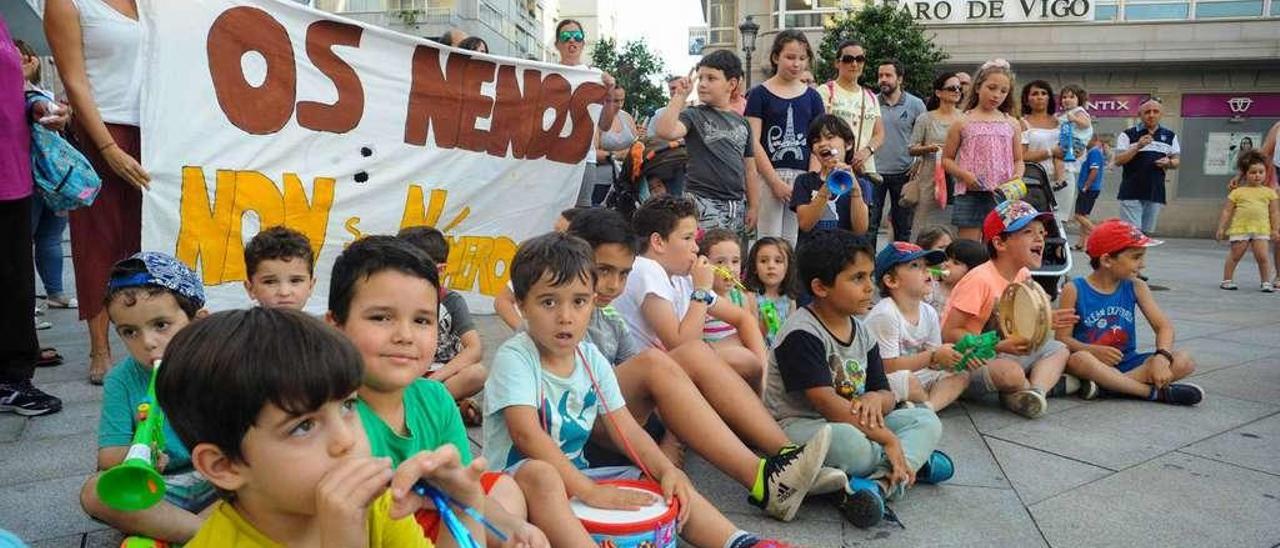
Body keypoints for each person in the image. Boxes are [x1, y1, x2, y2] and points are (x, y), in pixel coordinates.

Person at [482, 232, 796, 546]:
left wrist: (664, 469)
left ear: (592, 301)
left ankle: (739, 541)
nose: (565, 317)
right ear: (522, 305)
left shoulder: (590, 359)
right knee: (543, 475)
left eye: (578, 301)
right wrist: (587, 490)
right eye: (549, 302)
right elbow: (526, 434)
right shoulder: (517, 357)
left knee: (663, 484)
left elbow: (627, 430)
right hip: (515, 486)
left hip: (577, 476)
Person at [566, 209, 839, 521]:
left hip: (625, 413)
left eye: (621, 274)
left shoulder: (611, 314)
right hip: (590, 424)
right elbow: (669, 347)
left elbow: (735, 322)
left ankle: (787, 456)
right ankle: (764, 479)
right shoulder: (578, 310)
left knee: (692, 354)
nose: (614, 285)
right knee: (670, 358)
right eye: (604, 271)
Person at [156, 307, 486, 547]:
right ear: (224, 465)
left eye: (347, 406)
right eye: (303, 426)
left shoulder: (375, 506)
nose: (346, 440)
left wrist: (465, 506)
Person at [324, 236, 555, 546]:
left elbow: (460, 489)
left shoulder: (435, 397)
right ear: (335, 328)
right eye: (381, 317)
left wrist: (516, 527)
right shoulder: (331, 417)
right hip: (374, 530)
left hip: (437, 515)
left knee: (504, 491)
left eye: (421, 320)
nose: (405, 335)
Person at [766, 229, 948, 529]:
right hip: (803, 425)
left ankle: (877, 486)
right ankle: (910, 461)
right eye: (857, 278)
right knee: (849, 443)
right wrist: (889, 439)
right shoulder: (802, 333)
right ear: (821, 287)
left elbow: (885, 392)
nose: (869, 288)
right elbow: (827, 405)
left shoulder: (862, 331)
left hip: (858, 420)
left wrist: (877, 397)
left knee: (926, 421)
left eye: (869, 276)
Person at [46, 0, 152, 384]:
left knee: (149, 237)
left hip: (159, 128)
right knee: (98, 239)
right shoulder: (67, 3)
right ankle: (99, 346)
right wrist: (107, 146)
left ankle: (154, 333)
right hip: (101, 131)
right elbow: (74, 81)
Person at [79, 253, 213, 543]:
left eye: (161, 325)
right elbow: (108, 456)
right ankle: (207, 534)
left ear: (198, 321)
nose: (147, 342)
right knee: (94, 492)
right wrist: (146, 456)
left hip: (220, 482)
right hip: (159, 488)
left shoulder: (220, 367)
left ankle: (168, 532)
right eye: (129, 332)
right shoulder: (120, 380)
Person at [941, 200, 1077, 418]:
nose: (1040, 237)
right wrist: (999, 345)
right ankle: (1024, 388)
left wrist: (1043, 320)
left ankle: (1035, 392)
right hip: (968, 360)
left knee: (1058, 349)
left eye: (1042, 232)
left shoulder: (1022, 274)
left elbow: (1018, 322)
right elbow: (949, 332)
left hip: (1001, 352)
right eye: (1028, 232)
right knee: (1011, 373)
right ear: (1000, 243)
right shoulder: (980, 280)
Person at [613, 196, 767, 383]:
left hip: (668, 367)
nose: (695, 248)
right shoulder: (645, 268)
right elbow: (684, 347)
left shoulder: (682, 277)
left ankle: (765, 400)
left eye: (695, 238)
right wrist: (701, 290)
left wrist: (765, 380)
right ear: (658, 242)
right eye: (687, 238)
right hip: (641, 377)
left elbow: (744, 319)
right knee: (743, 360)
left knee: (745, 346)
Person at [1057, 219, 1203, 405]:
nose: (1142, 265)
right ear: (1107, 260)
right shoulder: (1074, 289)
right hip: (1092, 362)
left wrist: (1162, 357)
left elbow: (1164, 326)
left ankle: (1107, 388)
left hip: (1128, 362)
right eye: (1136, 257)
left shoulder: (1137, 286)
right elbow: (1062, 339)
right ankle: (1149, 392)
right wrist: (1092, 350)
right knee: (1080, 359)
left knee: (1185, 360)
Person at [1, 15, 67, 416]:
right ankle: (11, 376)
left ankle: (13, 372)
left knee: (14, 278)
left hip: (12, 170)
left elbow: (13, 90)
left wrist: (36, 102)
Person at [654, 51, 758, 234]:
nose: (702, 84)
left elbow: (750, 168)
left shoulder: (743, 123)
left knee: (729, 259)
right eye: (700, 77)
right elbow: (665, 131)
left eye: (711, 78)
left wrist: (753, 206)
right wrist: (679, 96)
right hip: (702, 201)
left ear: (731, 84)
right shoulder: (694, 115)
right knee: (704, 256)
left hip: (736, 205)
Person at [396, 227, 487, 423]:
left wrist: (437, 378)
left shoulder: (451, 301)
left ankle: (425, 407)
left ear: (440, 270)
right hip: (404, 369)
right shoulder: (393, 298)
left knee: (477, 373)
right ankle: (448, 409)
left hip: (441, 375)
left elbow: (474, 348)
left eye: (414, 269)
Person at [866, 242, 968, 412]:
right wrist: (934, 356)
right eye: (915, 266)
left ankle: (927, 408)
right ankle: (919, 405)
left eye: (926, 265)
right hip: (882, 377)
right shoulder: (886, 314)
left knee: (961, 375)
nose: (926, 271)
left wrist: (952, 358)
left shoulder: (929, 312)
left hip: (917, 371)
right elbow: (887, 366)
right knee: (906, 380)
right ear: (891, 281)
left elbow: (934, 362)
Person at [746, 30, 824, 244]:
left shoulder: (813, 97)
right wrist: (774, 181)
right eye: (790, 57)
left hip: (802, 177)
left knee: (793, 241)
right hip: (769, 175)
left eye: (802, 58)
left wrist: (811, 180)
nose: (796, 64)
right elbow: (753, 141)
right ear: (775, 57)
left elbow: (820, 142)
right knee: (768, 241)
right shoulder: (759, 94)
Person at [17, 39, 76, 313]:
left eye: (25, 57)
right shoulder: (20, 96)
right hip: (22, 180)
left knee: (50, 237)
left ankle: (55, 292)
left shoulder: (42, 95)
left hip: (50, 178)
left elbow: (41, 108)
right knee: (18, 241)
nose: (23, 61)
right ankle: (23, 302)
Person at [942, 59, 1024, 242]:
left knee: (998, 247)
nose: (996, 95)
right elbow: (946, 159)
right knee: (968, 249)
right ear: (978, 87)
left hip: (1003, 194)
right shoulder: (962, 121)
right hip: (970, 193)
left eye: (1003, 91)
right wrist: (964, 175)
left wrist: (1017, 177)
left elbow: (1018, 160)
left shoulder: (1012, 123)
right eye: (992, 88)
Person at [552, 19, 620, 207]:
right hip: (550, 159)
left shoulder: (596, 77)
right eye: (566, 37)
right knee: (550, 214)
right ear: (557, 44)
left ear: (582, 43)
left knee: (580, 217)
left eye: (577, 37)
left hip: (584, 159)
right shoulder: (548, 75)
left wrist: (609, 93)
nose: (571, 41)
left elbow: (605, 125)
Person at [494, 208, 583, 332]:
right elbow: (502, 301)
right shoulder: (540, 264)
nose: (556, 238)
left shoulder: (591, 272)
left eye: (563, 233)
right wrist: (525, 332)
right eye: (555, 231)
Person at [791, 115, 871, 246]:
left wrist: (855, 189)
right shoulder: (804, 181)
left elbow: (860, 230)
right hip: (811, 256)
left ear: (848, 143)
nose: (822, 143)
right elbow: (805, 224)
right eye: (816, 140)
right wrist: (827, 185)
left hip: (845, 257)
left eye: (830, 137)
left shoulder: (861, 184)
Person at [816, 41, 883, 194]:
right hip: (834, 167)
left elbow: (879, 133)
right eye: (848, 59)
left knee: (862, 215)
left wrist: (867, 151)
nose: (854, 64)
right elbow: (819, 131)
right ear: (837, 63)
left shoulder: (870, 96)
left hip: (864, 169)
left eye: (859, 59)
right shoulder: (826, 91)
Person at [871, 60, 926, 244]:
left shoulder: (916, 104)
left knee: (903, 227)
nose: (883, 80)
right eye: (880, 76)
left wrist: (918, 163)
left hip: (904, 173)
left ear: (900, 79)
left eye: (888, 75)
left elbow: (924, 137)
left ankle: (901, 268)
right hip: (874, 173)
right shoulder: (871, 102)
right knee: (870, 225)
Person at [907, 72, 965, 231]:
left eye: (959, 88)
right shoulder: (925, 118)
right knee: (924, 223)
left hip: (957, 176)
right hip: (930, 178)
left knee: (954, 223)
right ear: (938, 92)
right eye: (952, 88)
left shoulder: (965, 118)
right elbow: (912, 148)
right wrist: (930, 148)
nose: (957, 91)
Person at [1114, 99, 1179, 234]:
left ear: (1161, 114)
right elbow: (1118, 160)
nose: (1151, 115)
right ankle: (1129, 255)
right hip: (1131, 191)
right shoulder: (1127, 134)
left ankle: (1139, 256)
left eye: (1155, 111)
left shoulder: (1170, 136)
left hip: (1155, 191)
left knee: (1146, 234)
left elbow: (1176, 160)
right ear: (1140, 114)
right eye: (1147, 112)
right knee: (1133, 234)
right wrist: (1138, 146)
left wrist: (1169, 163)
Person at [1216, 151, 1279, 291]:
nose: (1257, 175)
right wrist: (1221, 228)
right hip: (1241, 228)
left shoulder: (1270, 193)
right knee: (1235, 255)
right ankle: (1227, 280)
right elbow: (1227, 211)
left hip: (1261, 229)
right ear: (1245, 174)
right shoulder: (1237, 192)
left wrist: (1275, 229)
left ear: (1265, 173)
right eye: (1253, 172)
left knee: (1263, 257)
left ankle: (1265, 282)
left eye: (1261, 172)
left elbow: (1274, 212)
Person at [242, 226, 316, 310]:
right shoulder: (239, 323)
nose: (284, 292)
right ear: (250, 289)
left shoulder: (319, 323)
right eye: (270, 282)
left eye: (295, 280)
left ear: (311, 286)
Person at [744, 237, 800, 347]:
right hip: (760, 352)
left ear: (788, 267)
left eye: (778, 261)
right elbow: (751, 337)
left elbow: (791, 333)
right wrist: (765, 325)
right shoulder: (751, 298)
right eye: (763, 261)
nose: (771, 266)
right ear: (755, 267)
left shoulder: (790, 300)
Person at [588, 86, 639, 206]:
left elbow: (637, 145)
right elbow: (591, 154)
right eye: (616, 101)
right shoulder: (595, 117)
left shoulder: (626, 117)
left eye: (622, 100)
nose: (620, 105)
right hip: (600, 183)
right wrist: (619, 155)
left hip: (626, 181)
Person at [1020, 81, 1068, 199]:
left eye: (1043, 93)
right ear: (1026, 99)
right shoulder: (1021, 123)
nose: (1040, 97)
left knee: (1062, 217)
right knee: (1039, 217)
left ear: (1049, 98)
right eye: (1035, 94)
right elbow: (1021, 155)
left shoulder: (1061, 121)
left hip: (1063, 178)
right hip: (1034, 180)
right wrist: (1051, 152)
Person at [928, 238, 988, 314]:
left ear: (972, 271)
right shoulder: (929, 288)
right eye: (946, 259)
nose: (946, 264)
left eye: (956, 263)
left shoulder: (971, 299)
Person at [1072, 134, 1108, 250]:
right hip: (1091, 188)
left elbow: (1094, 171)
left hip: (1089, 188)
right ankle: (1082, 244)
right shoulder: (1093, 152)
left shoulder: (1094, 152)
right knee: (1084, 216)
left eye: (1086, 140)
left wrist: (1086, 186)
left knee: (1078, 215)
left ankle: (1099, 234)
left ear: (1094, 140)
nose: (1084, 142)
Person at [1057, 84, 1094, 195]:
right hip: (1067, 142)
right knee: (1057, 158)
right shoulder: (1064, 114)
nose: (1067, 100)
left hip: (1075, 142)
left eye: (1071, 97)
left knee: (1057, 156)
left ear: (1079, 99)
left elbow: (1086, 124)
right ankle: (1060, 178)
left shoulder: (1079, 111)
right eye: (1064, 97)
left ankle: (1061, 179)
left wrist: (1075, 119)